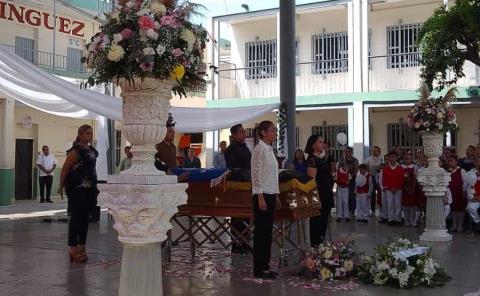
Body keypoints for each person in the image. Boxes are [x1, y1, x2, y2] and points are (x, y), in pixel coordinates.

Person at [58, 125, 98, 263]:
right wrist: (61, 186)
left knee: (85, 219)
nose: (90, 135)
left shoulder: (92, 150)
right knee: (76, 218)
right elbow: (65, 169)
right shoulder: (75, 151)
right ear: (80, 135)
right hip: (76, 188)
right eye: (87, 133)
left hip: (90, 188)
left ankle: (82, 246)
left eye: (91, 133)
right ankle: (73, 248)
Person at [251, 121, 280, 279]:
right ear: (263, 132)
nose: (274, 133)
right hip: (261, 195)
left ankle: (266, 265)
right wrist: (260, 196)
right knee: (261, 232)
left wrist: (276, 194)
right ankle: (259, 268)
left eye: (274, 130)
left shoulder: (269, 150)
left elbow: (272, 174)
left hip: (270, 193)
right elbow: (256, 174)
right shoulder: (259, 149)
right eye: (271, 130)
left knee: (268, 232)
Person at [225, 124, 252, 253]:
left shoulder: (245, 147)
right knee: (237, 216)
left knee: (246, 215)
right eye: (241, 132)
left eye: (244, 131)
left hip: (247, 184)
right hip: (237, 185)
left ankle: (245, 241)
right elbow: (234, 169)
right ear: (234, 135)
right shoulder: (231, 149)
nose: (244, 134)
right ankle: (236, 244)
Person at [306, 135, 335, 247]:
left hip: (326, 192)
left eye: (323, 142)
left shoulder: (323, 158)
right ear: (313, 144)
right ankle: (316, 246)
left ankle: (321, 246)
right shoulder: (312, 159)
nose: (322, 144)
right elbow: (312, 181)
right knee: (317, 222)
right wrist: (315, 197)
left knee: (324, 221)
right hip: (319, 194)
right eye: (320, 142)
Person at [382, 150, 404, 225]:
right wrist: (389, 188)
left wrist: (397, 188)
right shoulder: (386, 168)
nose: (392, 159)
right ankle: (391, 219)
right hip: (389, 189)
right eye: (390, 157)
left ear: (396, 158)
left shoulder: (400, 168)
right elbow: (385, 179)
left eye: (393, 157)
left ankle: (398, 219)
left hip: (398, 189)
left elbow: (401, 179)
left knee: (398, 204)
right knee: (390, 203)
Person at [448, 155, 467, 232]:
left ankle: (460, 225)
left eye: (451, 161)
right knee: (453, 209)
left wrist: (464, 191)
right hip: (451, 193)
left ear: (456, 161)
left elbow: (465, 182)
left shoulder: (462, 171)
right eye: (449, 161)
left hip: (459, 192)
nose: (450, 162)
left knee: (460, 209)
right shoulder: (448, 172)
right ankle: (454, 225)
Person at [402, 152, 417, 227]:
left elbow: (415, 179)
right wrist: (405, 187)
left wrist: (413, 188)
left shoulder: (414, 167)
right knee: (406, 206)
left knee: (412, 206)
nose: (407, 160)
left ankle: (412, 220)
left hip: (412, 189)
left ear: (411, 160)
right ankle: (406, 220)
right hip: (405, 189)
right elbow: (401, 179)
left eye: (409, 159)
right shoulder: (402, 167)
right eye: (406, 159)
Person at [366, 146, 382, 216]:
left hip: (379, 178)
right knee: (372, 194)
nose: (375, 152)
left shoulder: (381, 159)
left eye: (376, 150)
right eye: (373, 150)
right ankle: (372, 210)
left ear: (379, 152)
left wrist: (379, 169)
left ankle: (381, 210)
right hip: (371, 177)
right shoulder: (368, 159)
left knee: (380, 194)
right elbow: (366, 168)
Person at [343, 147, 359, 218]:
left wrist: (349, 178)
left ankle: (352, 211)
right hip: (343, 181)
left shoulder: (355, 160)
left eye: (348, 152)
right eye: (345, 152)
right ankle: (345, 211)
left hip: (352, 181)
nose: (347, 153)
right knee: (345, 197)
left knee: (352, 196)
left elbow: (356, 170)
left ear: (351, 152)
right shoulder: (342, 160)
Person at [466, 157, 480, 225]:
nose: (477, 163)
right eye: (476, 162)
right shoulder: (471, 174)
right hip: (476, 199)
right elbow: (470, 188)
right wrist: (472, 197)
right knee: (470, 207)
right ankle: (478, 222)